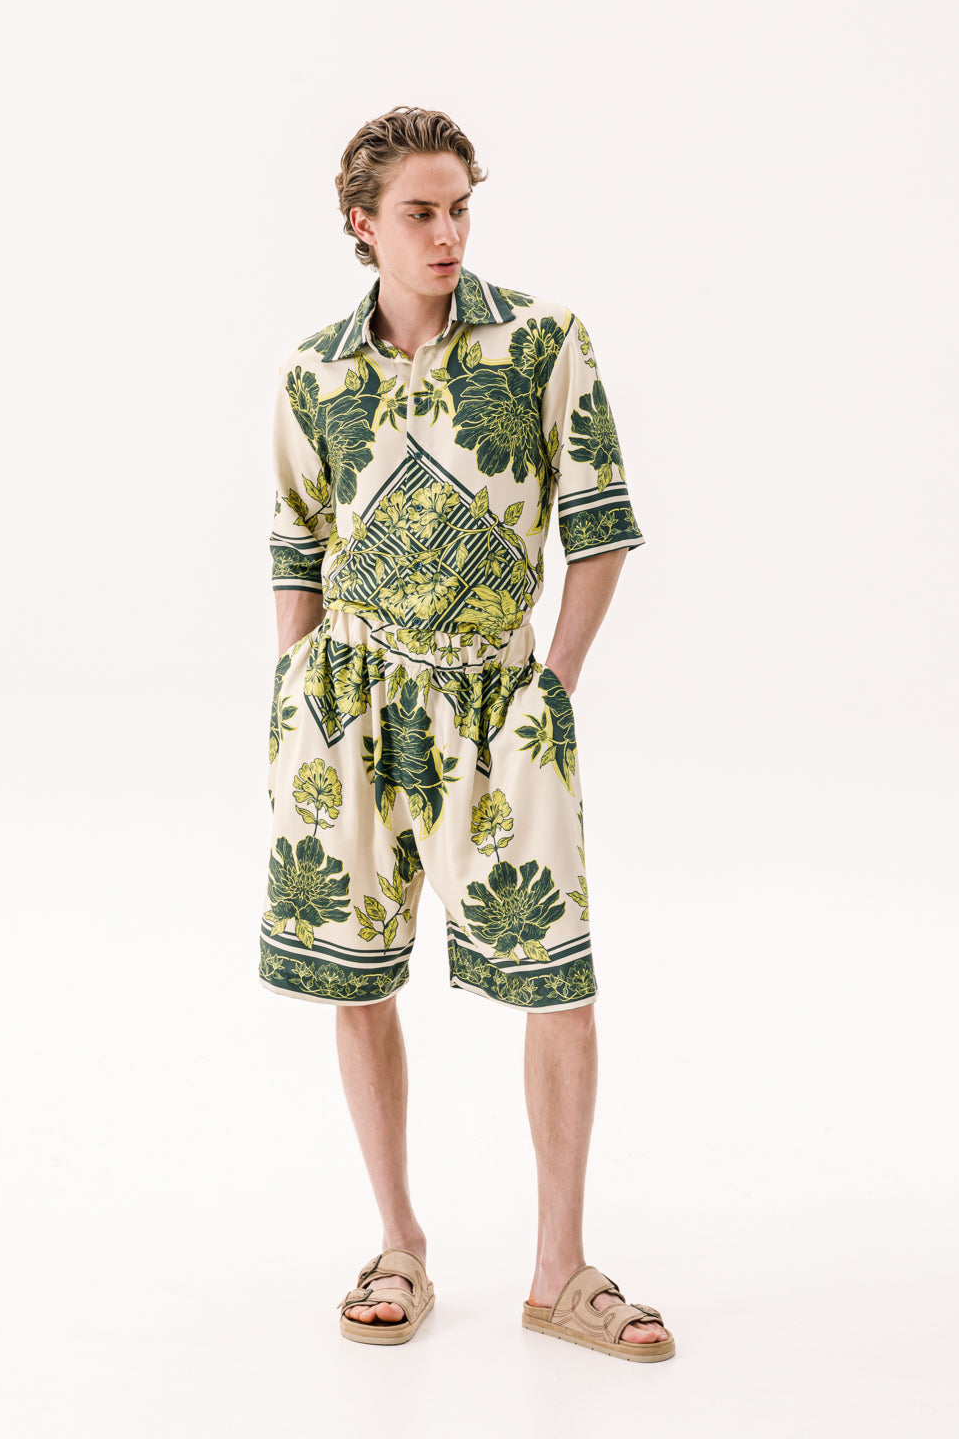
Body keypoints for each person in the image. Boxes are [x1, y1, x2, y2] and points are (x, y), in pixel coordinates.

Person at [260, 105, 674, 1361]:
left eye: (458, 209)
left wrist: (553, 681)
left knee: (558, 978)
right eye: (419, 213)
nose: (446, 234)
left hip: (501, 703)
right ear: (361, 224)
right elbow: (296, 542)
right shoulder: (312, 371)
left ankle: (560, 1272)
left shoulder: (541, 339)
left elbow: (598, 522)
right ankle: (398, 1241)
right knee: (357, 973)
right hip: (345, 708)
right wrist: (293, 696)